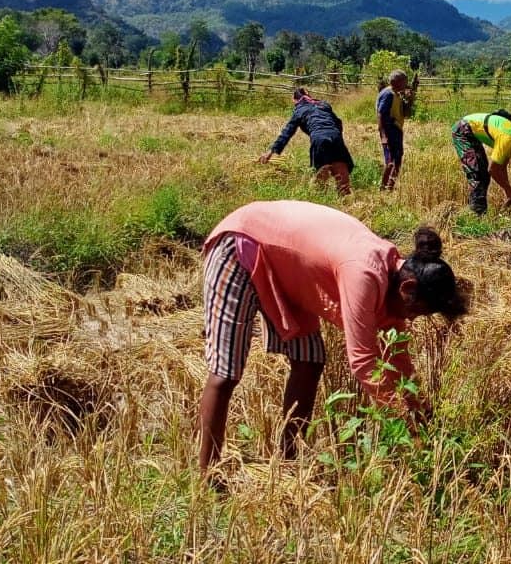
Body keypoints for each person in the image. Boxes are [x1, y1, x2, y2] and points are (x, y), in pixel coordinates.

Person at [198, 201, 470, 474]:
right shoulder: (364, 273)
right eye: (417, 312)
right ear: (408, 288)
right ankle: (208, 476)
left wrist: (421, 410)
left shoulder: (395, 278)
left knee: (309, 361)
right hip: (241, 246)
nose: (411, 319)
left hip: (286, 269)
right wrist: (404, 423)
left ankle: (289, 461)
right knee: (225, 375)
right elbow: (364, 361)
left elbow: (398, 359)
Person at [259, 88, 355, 196]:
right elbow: (338, 122)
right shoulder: (323, 105)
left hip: (319, 139)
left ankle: (319, 200)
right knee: (342, 180)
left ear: (294, 100)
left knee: (319, 181)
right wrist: (336, 136)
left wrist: (271, 151)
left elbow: (287, 132)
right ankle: (345, 201)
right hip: (335, 136)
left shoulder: (299, 110)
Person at [452, 110, 511, 214]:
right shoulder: (507, 139)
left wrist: (509, 190)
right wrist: (508, 190)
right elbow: (493, 170)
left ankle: (477, 212)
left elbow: (502, 167)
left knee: (483, 174)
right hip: (463, 130)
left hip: (472, 132)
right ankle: (475, 214)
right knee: (478, 174)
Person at [377, 70, 416, 191]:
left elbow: (406, 113)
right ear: (397, 82)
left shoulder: (396, 94)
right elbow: (380, 115)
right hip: (390, 130)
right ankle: (384, 188)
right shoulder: (388, 94)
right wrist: (383, 135)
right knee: (391, 162)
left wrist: (410, 99)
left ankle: (388, 188)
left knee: (396, 160)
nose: (406, 84)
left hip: (396, 129)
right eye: (405, 81)